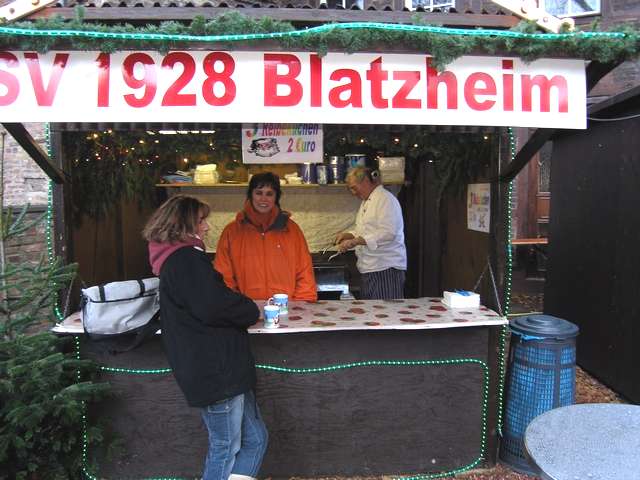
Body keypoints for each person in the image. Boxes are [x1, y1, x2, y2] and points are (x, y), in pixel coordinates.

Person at [143, 195, 268, 480]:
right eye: (201, 221)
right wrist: (250, 309)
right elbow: (213, 305)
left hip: (224, 370)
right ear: (184, 224)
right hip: (216, 371)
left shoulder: (178, 260)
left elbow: (211, 301)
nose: (207, 227)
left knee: (255, 439)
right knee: (226, 446)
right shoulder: (186, 260)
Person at [215, 172, 317, 302]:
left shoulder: (292, 230)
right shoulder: (232, 232)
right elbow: (223, 278)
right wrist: (235, 306)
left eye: (269, 194)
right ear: (250, 195)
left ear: (276, 197)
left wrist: (302, 306)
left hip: (286, 309)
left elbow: (305, 273)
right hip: (246, 311)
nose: (263, 199)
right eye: (259, 193)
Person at [334, 166, 407, 299]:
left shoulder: (385, 199)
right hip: (369, 268)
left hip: (385, 268)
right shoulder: (367, 201)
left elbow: (388, 233)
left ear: (366, 182)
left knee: (385, 314)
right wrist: (349, 235)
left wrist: (356, 241)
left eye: (354, 188)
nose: (352, 192)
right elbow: (365, 230)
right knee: (372, 314)